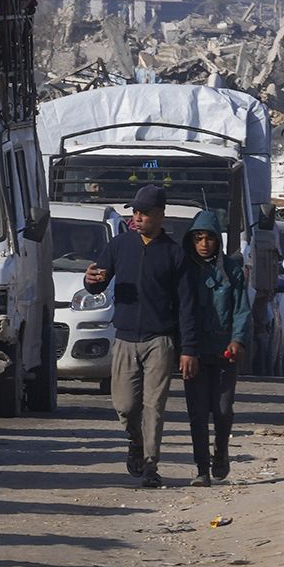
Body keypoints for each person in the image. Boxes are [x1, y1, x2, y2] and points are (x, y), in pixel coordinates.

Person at [83, 185, 200, 488]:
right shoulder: (120, 245)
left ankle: (150, 465)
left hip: (160, 341)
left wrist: (188, 349)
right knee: (124, 405)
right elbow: (98, 281)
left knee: (154, 407)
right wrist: (91, 280)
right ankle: (134, 441)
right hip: (124, 339)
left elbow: (187, 306)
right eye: (135, 212)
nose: (137, 217)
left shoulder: (175, 254)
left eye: (144, 212)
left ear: (160, 215)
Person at [183, 211, 250, 487]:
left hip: (224, 352)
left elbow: (241, 309)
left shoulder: (232, 269)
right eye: (198, 238)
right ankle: (201, 468)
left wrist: (238, 340)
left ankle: (220, 452)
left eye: (209, 238)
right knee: (197, 413)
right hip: (195, 352)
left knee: (221, 409)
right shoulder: (186, 269)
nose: (203, 244)